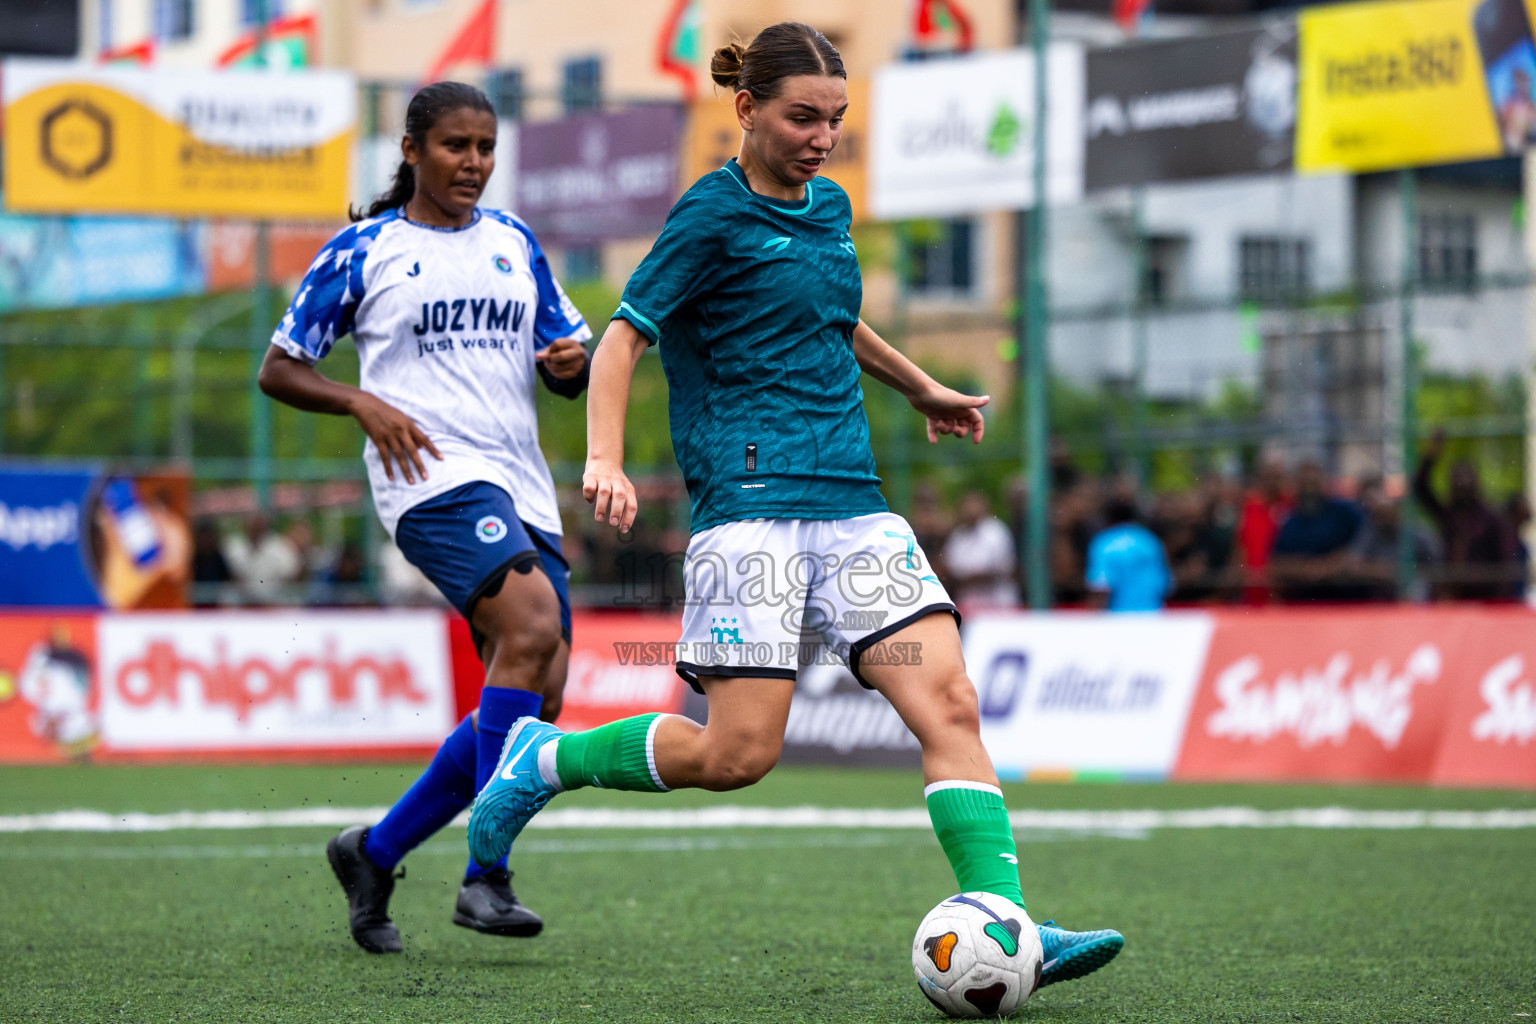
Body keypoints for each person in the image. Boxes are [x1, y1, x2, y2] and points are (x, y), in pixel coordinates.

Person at [467, 23, 1123, 990]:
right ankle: (540, 760)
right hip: (751, 511)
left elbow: (832, 313)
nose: (822, 136)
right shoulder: (709, 216)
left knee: (948, 699)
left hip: (854, 501)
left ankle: (1011, 917)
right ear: (747, 109)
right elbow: (621, 340)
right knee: (736, 754)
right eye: (802, 117)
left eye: (837, 119)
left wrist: (922, 387)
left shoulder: (831, 208)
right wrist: (603, 458)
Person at [257, 82, 592, 954]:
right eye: (455, 146)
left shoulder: (514, 242)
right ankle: (486, 876)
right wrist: (360, 404)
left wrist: (567, 365)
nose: (473, 163)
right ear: (412, 149)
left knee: (541, 692)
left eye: (485, 147)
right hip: (429, 480)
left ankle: (374, 851)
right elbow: (281, 368)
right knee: (530, 625)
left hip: (520, 482)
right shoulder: (364, 249)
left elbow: (567, 363)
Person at [1413, 430, 1519, 600]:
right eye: (1457, 478)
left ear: (1476, 482)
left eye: (1466, 478)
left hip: (1485, 599)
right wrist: (1431, 455)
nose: (1462, 484)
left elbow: (1507, 563)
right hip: (1451, 599)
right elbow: (1420, 488)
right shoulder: (1448, 515)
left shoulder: (1492, 519)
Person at [1268, 461, 1363, 602]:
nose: (1310, 489)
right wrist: (1305, 569)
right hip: (1302, 600)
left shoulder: (1344, 511)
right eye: (1305, 484)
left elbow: (1362, 543)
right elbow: (1277, 562)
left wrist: (1331, 564)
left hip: (1343, 596)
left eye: (1314, 483)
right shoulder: (1288, 520)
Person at [1085, 492, 1171, 611]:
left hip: (1119, 619)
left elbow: (1100, 586)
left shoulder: (1104, 543)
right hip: (1152, 616)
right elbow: (1164, 584)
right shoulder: (1149, 540)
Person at [940, 490, 1017, 609]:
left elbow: (1003, 570)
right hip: (967, 606)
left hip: (998, 605)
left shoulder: (996, 531)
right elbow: (948, 570)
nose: (970, 509)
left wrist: (967, 577)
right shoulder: (958, 535)